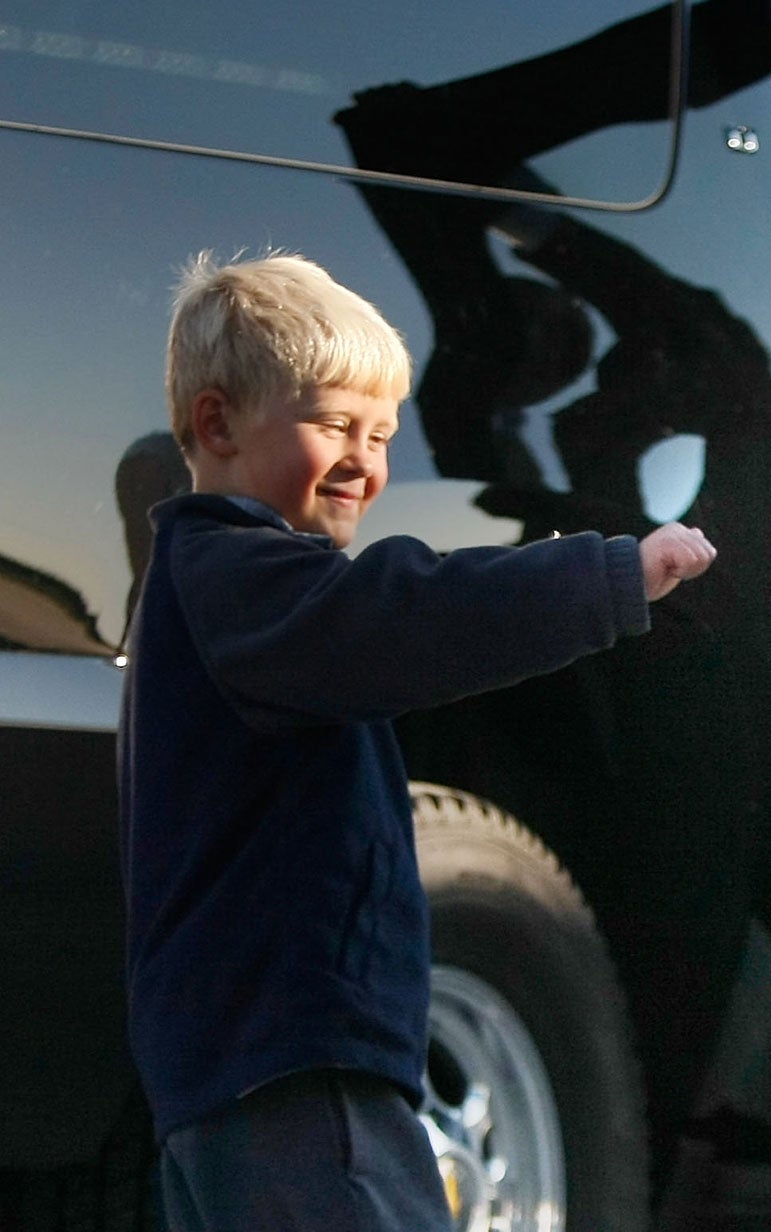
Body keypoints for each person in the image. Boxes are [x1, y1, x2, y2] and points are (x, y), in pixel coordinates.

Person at [121, 252, 716, 1231]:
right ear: (218, 424)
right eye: (333, 426)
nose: (366, 459)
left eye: (382, 434)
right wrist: (605, 579)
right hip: (298, 1067)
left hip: (229, 1075)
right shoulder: (247, 578)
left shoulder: (206, 586)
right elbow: (406, 614)